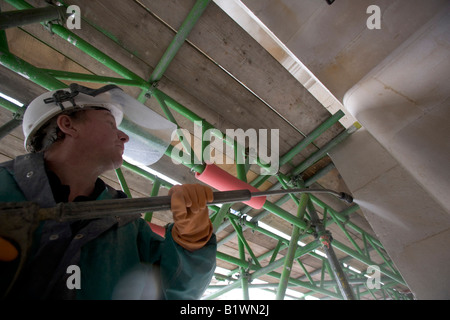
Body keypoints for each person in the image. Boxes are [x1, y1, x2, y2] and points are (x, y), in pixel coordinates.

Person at [0, 84, 217, 299]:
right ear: (67, 124)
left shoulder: (127, 227)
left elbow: (174, 293)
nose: (124, 137)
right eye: (111, 124)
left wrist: (192, 240)